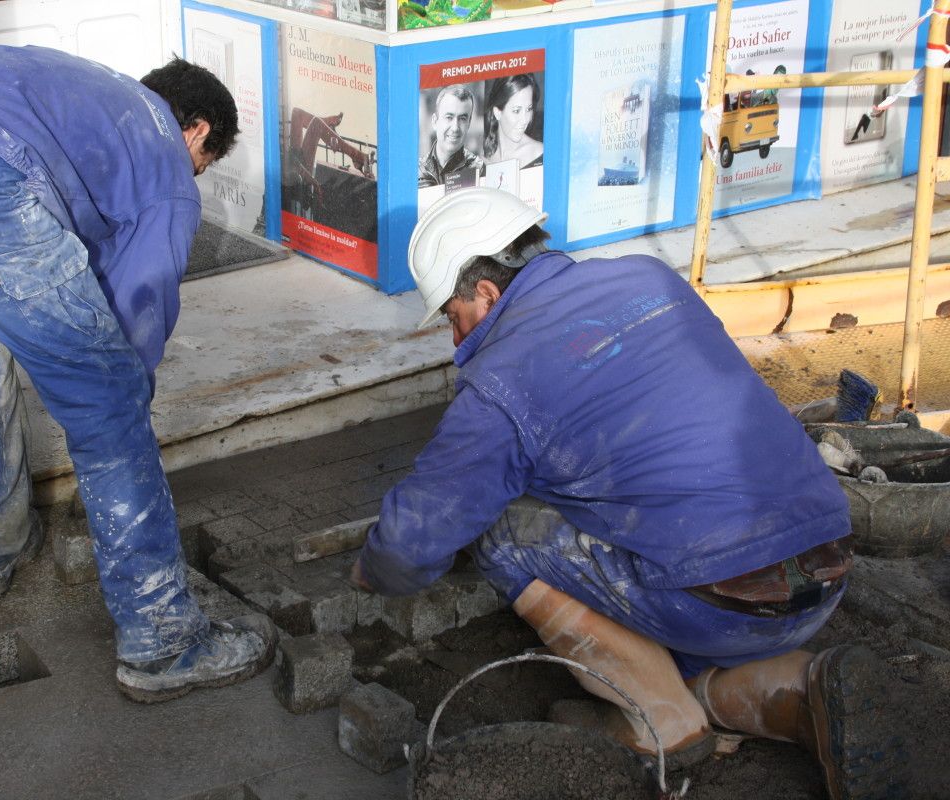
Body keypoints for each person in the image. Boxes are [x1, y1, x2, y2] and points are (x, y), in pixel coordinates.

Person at [352, 188, 901, 799]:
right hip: (824, 574)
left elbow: (412, 542)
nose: (457, 342)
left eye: (453, 319)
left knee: (500, 528)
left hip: (711, 606)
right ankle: (797, 690)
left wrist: (372, 573)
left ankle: (656, 718)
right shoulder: (651, 278)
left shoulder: (498, 385)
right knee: (676, 537)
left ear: (486, 292)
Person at [0, 47, 276, 703]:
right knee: (111, 399)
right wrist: (117, 410)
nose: (195, 177)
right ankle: (164, 644)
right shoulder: (162, 155)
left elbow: (73, 257)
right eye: (204, 165)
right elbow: (141, 303)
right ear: (197, 131)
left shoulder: (91, 99)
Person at [418, 84, 484, 188]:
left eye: (462, 118)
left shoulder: (479, 170)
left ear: (469, 124)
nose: (455, 128)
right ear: (435, 121)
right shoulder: (415, 171)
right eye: (449, 117)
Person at [481, 74, 543, 168]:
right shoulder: (482, 158)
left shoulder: (540, 154)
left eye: (529, 109)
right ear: (497, 112)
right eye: (516, 111)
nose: (525, 120)